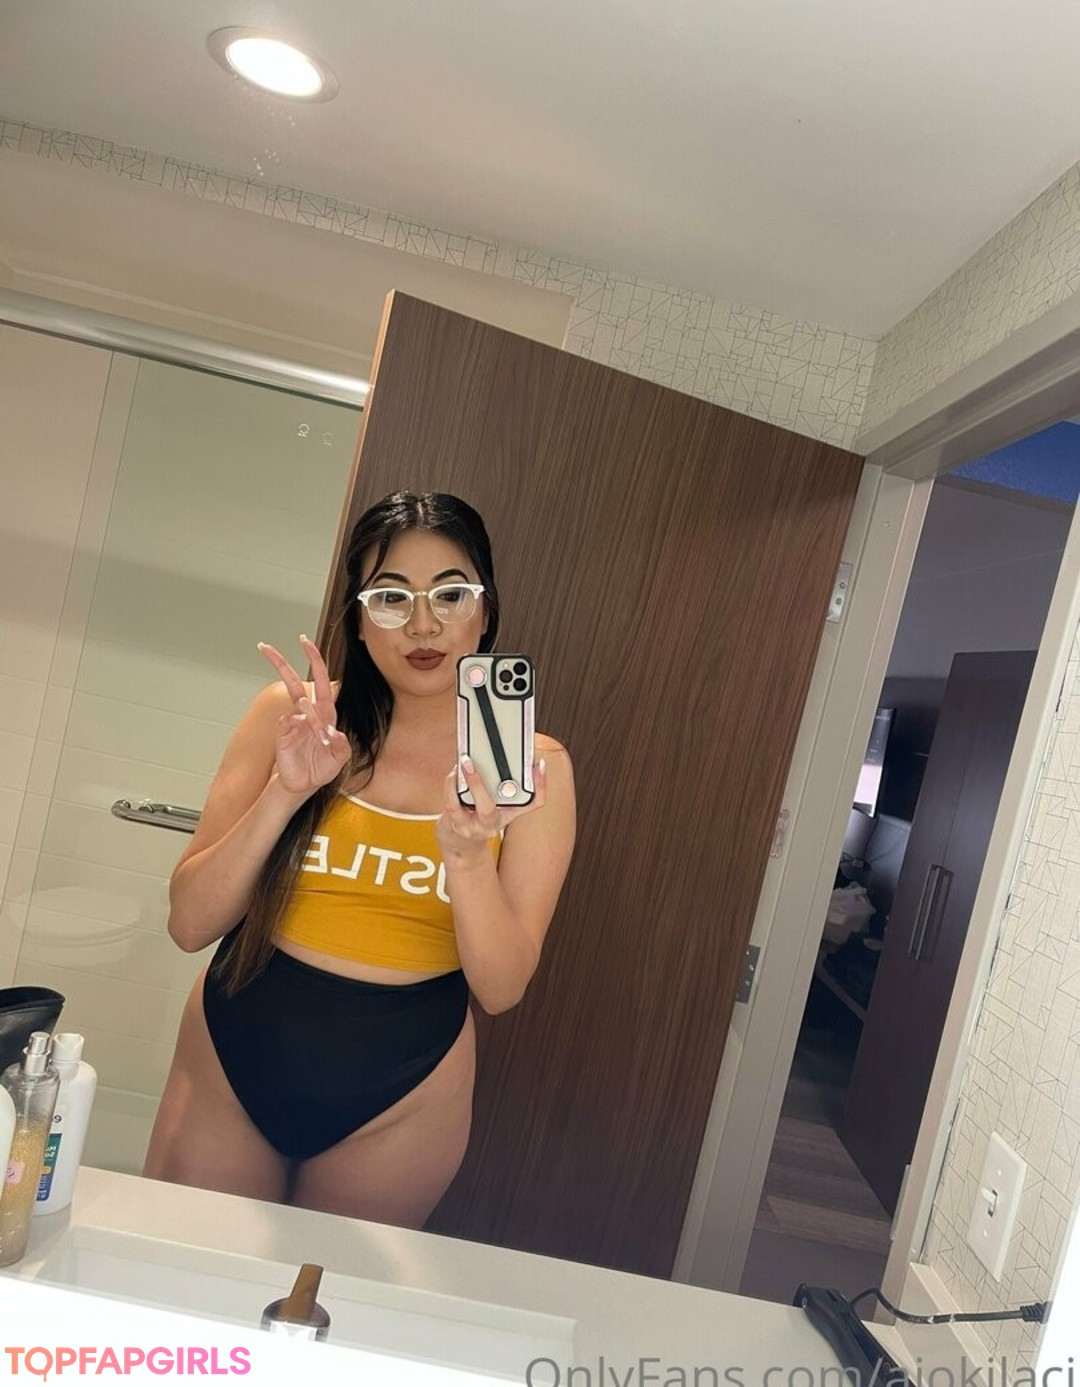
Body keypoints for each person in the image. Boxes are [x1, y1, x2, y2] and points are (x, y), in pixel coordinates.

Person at [143, 491, 576, 1227]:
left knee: (329, 1290)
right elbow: (189, 923)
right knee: (182, 1272)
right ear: (359, 618)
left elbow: (502, 988)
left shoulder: (535, 769)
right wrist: (286, 792)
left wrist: (468, 856)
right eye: (391, 597)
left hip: (406, 1086)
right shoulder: (290, 718)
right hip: (238, 1043)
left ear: (485, 611)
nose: (423, 624)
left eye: (450, 594)